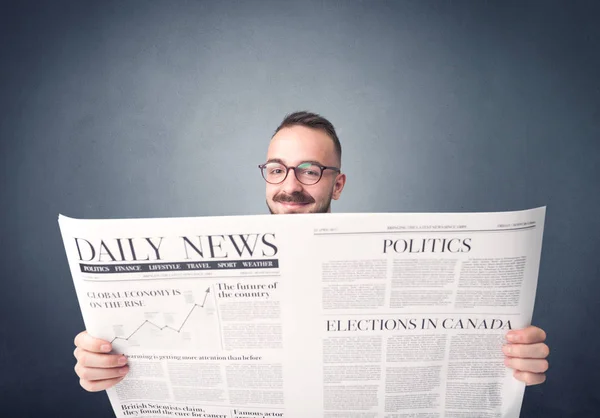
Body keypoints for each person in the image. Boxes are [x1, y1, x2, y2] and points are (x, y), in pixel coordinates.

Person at [73, 111, 549, 391]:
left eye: (309, 170)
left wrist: (510, 368)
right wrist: (104, 364)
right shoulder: (202, 284)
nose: (290, 186)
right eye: (277, 170)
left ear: (337, 184)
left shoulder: (395, 276)